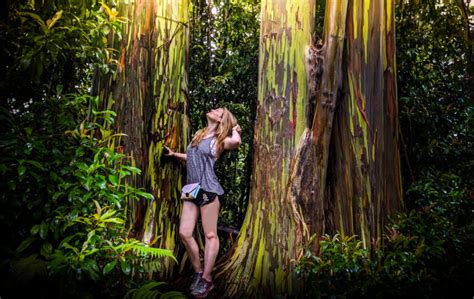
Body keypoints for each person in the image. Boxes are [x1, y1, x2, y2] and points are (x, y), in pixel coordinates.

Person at [163, 107, 241, 298]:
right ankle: (198, 273)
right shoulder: (200, 135)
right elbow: (192, 157)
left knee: (210, 235)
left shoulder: (219, 141)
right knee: (185, 232)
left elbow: (236, 143)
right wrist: (174, 155)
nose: (213, 109)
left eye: (218, 110)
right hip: (191, 188)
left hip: (208, 189)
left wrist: (235, 129)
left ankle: (207, 279)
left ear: (222, 119)